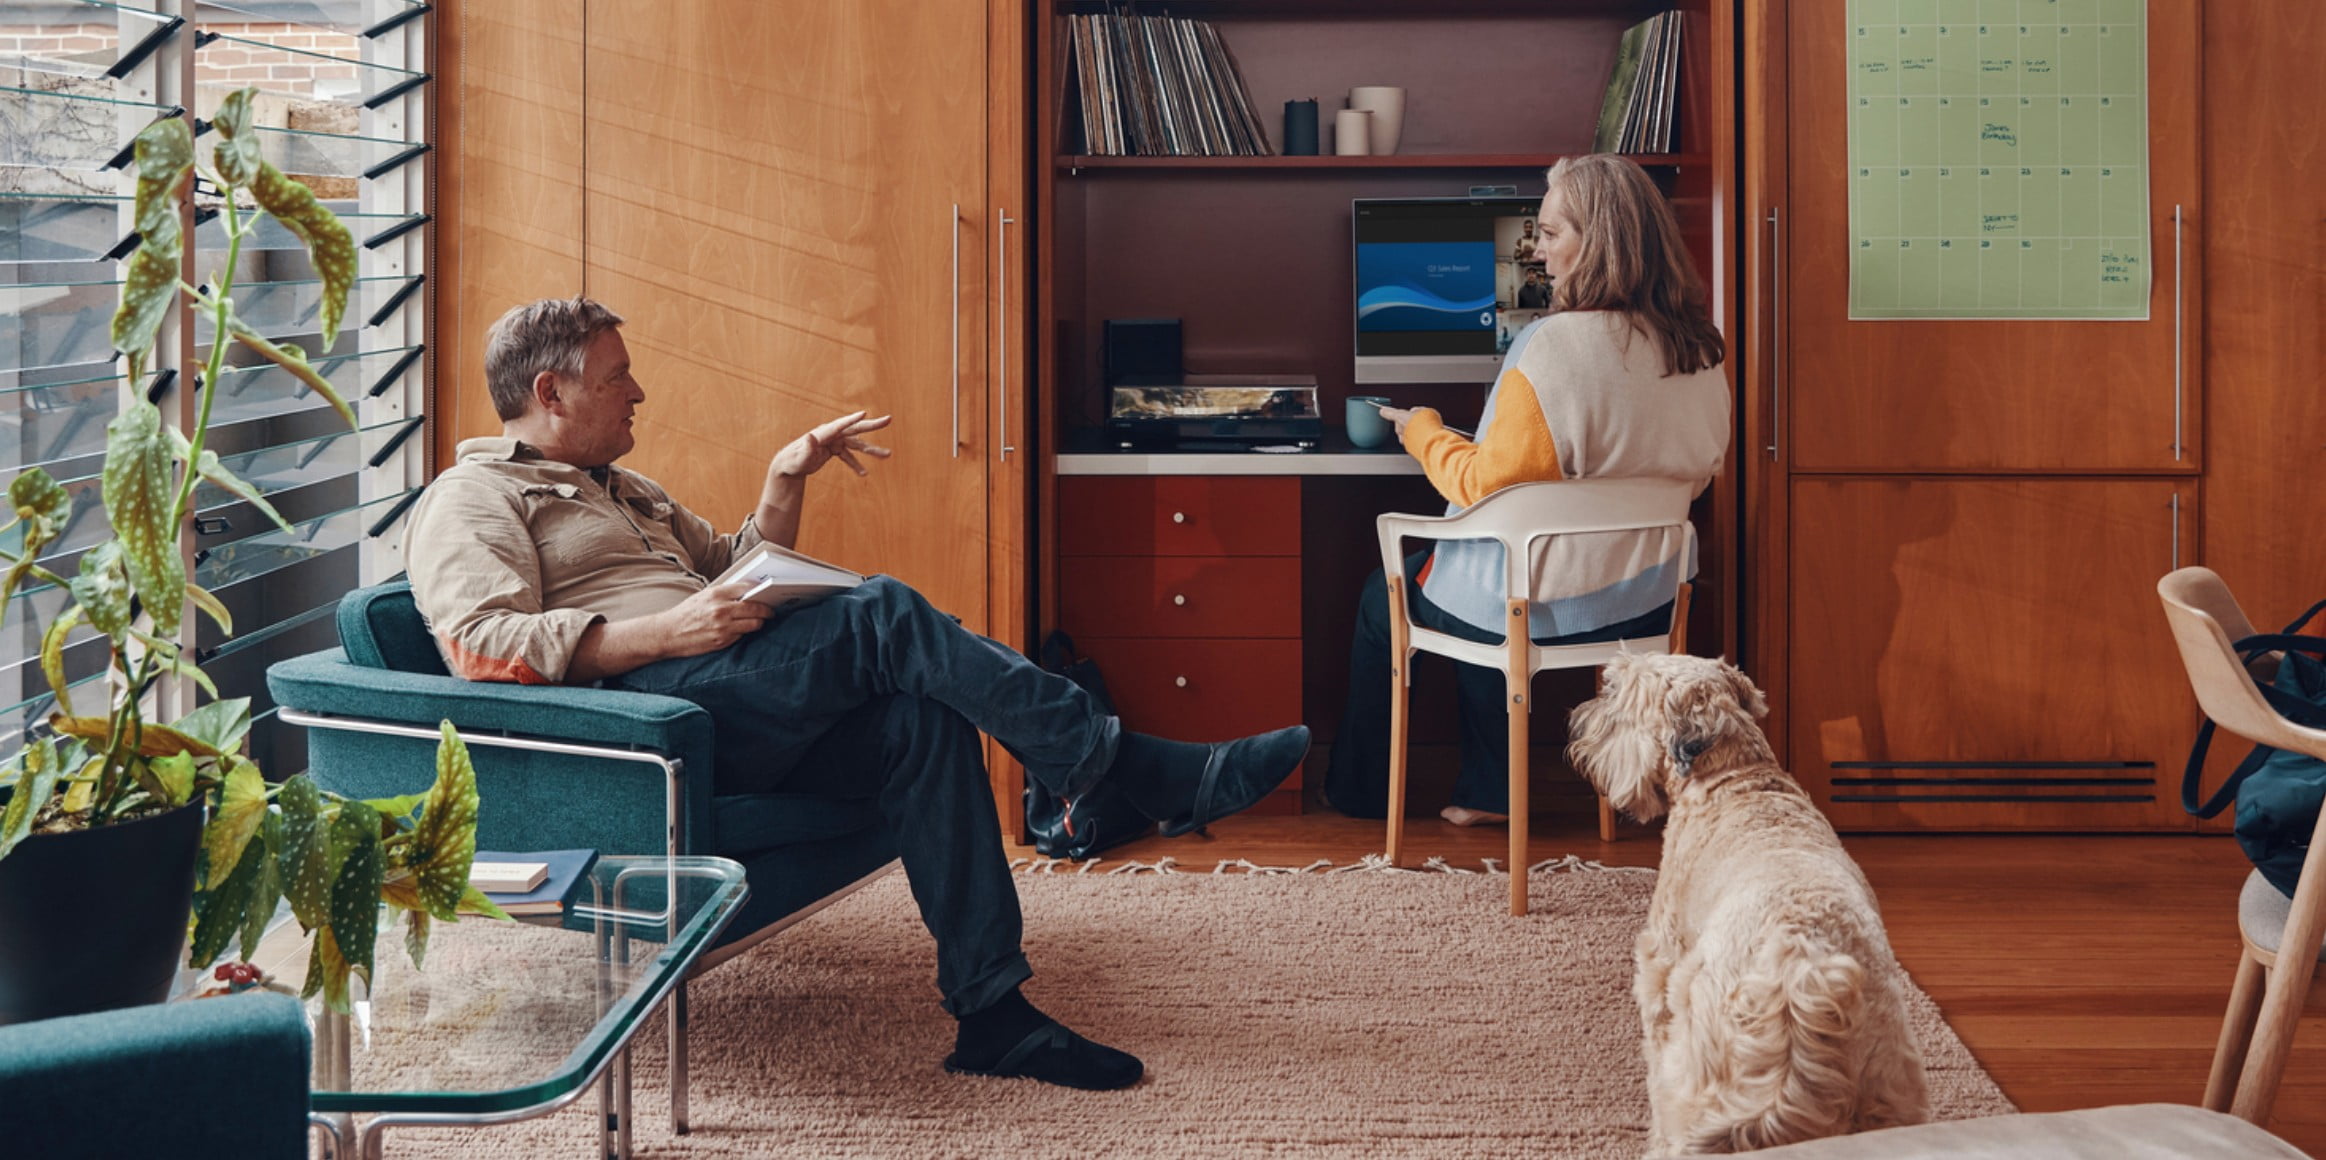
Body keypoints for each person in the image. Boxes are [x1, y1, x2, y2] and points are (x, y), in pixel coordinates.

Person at [404, 297, 1309, 1092]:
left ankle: (994, 1013)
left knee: (919, 716)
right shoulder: (472, 497)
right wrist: (662, 634)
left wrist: (782, 481)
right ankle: (1120, 767)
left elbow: (734, 566)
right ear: (550, 393)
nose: (637, 393)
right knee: (881, 613)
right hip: (651, 721)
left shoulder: (626, 489)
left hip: (725, 690)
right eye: (616, 379)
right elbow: (478, 645)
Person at [1324, 154, 1730, 827]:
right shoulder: (1702, 350)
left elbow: (1481, 483)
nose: (1537, 250)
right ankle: (1488, 787)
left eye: (1550, 234)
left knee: (1408, 587)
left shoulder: (1548, 347)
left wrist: (1423, 430)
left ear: (1596, 242)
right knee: (1493, 567)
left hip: (1541, 600)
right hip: (1648, 600)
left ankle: (1368, 795)